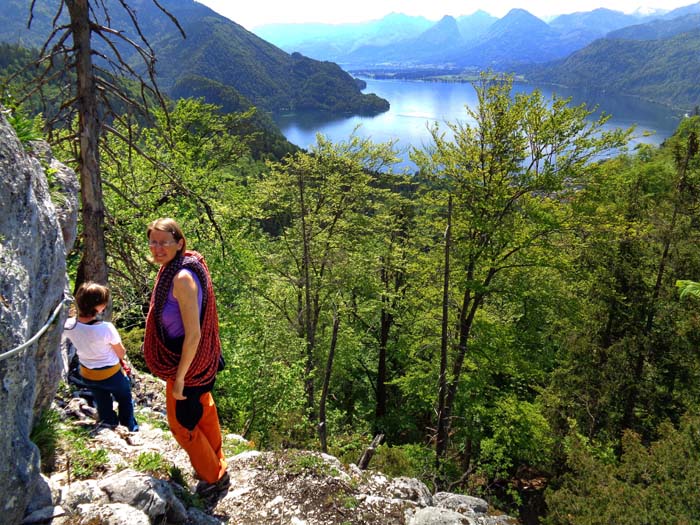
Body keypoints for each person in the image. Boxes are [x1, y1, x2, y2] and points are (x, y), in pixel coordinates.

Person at [142, 217, 229, 495]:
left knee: (183, 426)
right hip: (201, 362)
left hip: (188, 363)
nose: (157, 248)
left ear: (179, 244)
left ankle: (213, 476)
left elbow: (194, 334)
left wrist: (179, 378)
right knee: (203, 408)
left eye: (163, 242)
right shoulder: (177, 267)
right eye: (153, 241)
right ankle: (218, 463)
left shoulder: (181, 278)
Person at [63, 282, 138, 432]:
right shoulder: (106, 328)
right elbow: (121, 353)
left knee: (101, 398)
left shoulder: (68, 325)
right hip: (111, 373)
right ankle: (130, 427)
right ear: (98, 307)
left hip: (87, 373)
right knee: (124, 397)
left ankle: (108, 421)